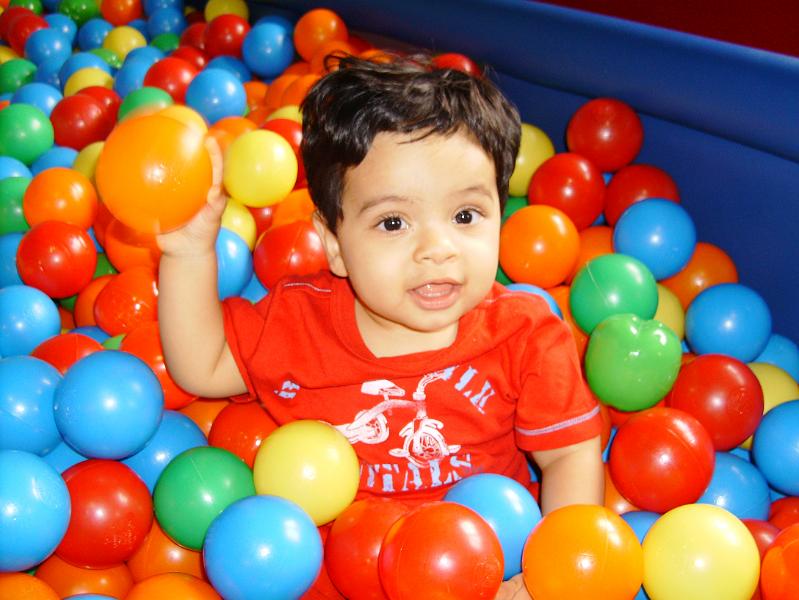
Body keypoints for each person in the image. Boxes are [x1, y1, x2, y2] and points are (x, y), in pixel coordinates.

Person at [157, 55, 603, 599]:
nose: (436, 249)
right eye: (393, 223)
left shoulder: (526, 334)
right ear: (334, 244)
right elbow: (202, 365)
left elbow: (570, 453)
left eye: (465, 216)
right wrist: (188, 253)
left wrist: (549, 579)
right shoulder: (299, 323)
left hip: (487, 575)